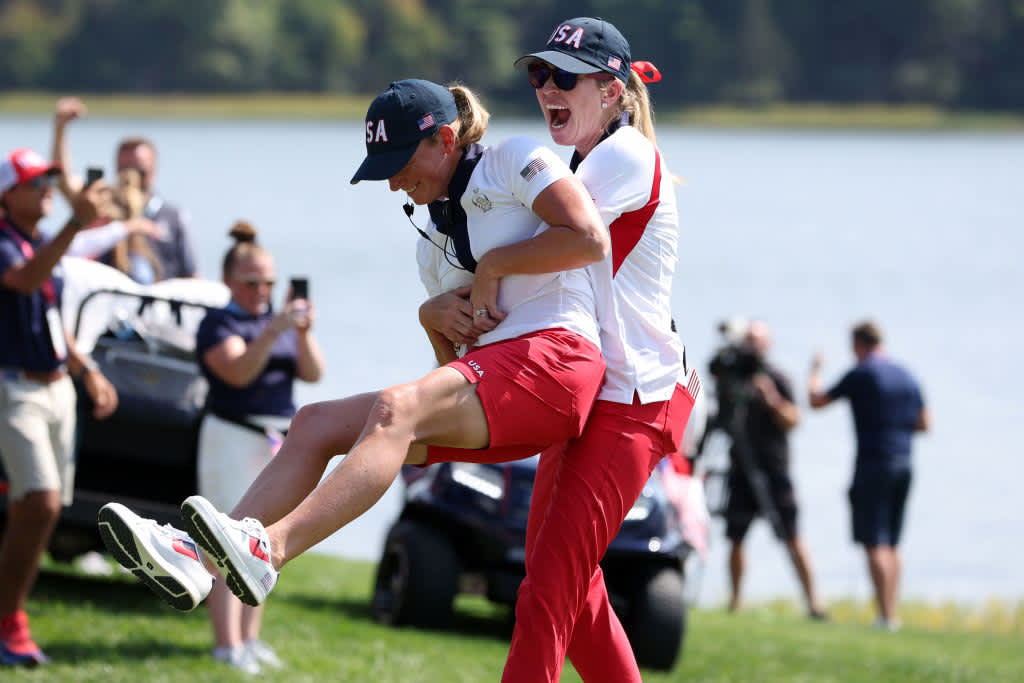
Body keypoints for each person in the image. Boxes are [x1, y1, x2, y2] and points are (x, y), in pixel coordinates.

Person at [97, 79, 612, 676]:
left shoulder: (516, 158)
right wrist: (431, 319)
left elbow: (589, 238)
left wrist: (495, 264)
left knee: (396, 408)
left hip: (560, 362)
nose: (394, 183)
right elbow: (458, 375)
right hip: (507, 388)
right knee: (315, 422)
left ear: (446, 139)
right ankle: (198, 560)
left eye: (399, 163)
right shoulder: (433, 244)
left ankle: (272, 549)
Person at [504, 17, 699, 681]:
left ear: (613, 91)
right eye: (539, 74)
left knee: (547, 594)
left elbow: (532, 241)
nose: (546, 88)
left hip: (632, 402)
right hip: (596, 396)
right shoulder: (591, 161)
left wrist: (479, 269)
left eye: (564, 76)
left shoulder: (624, 157)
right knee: (570, 588)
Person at [0, 148, 118, 667]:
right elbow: (24, 279)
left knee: (37, 508)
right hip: (15, 388)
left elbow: (48, 312)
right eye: (35, 183)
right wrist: (76, 223)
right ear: (7, 195)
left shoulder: (37, 240)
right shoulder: (5, 243)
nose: (48, 189)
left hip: (54, 389)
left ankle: (9, 615)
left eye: (51, 180)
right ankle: (10, 622)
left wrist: (85, 368)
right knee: (43, 503)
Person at [193, 221, 325, 673]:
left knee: (262, 544)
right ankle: (225, 643)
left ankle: (249, 639)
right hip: (232, 434)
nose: (261, 290)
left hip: (275, 440)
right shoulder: (219, 322)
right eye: (251, 282)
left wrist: (301, 331)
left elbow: (312, 374)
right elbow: (238, 372)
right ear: (229, 280)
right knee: (224, 541)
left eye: (268, 282)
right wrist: (273, 330)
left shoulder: (280, 322)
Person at [808, 320, 929, 631]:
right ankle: (892, 613)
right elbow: (924, 423)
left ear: (858, 345)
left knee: (874, 541)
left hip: (874, 463)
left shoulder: (862, 373)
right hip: (904, 462)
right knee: (893, 542)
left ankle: (886, 617)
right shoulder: (906, 374)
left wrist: (815, 369)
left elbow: (816, 401)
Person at [711, 320, 826, 619]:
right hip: (741, 469)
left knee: (792, 536)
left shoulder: (776, 378)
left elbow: (794, 420)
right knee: (735, 536)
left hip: (774, 469)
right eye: (748, 340)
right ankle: (735, 602)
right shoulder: (731, 376)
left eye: (757, 340)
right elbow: (719, 411)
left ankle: (814, 604)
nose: (752, 346)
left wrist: (771, 400)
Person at [52, 97, 199, 280]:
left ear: (154, 171)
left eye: (139, 171)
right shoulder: (101, 203)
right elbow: (63, 180)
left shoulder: (174, 216)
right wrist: (60, 128)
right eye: (124, 170)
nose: (131, 177)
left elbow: (192, 275)